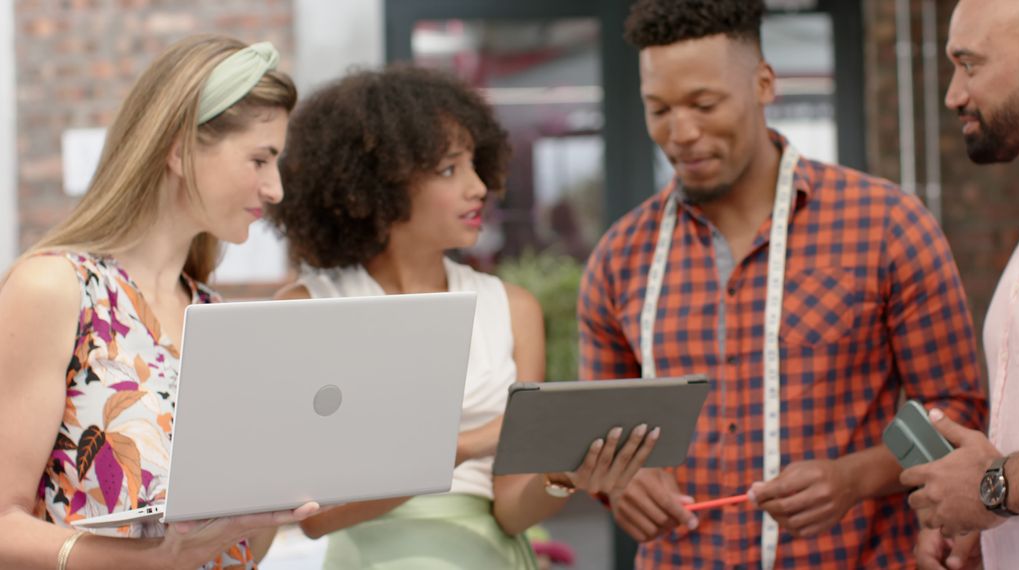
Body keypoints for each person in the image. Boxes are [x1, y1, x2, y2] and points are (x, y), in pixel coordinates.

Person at [576, 0, 988, 567]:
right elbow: (597, 434)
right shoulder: (620, 259)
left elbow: (955, 411)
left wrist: (853, 478)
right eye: (659, 109)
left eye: (704, 103)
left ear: (765, 84)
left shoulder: (887, 225)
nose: (682, 132)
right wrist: (619, 484)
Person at [267, 65, 658, 570]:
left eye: (476, 164)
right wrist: (462, 447)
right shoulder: (306, 310)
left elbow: (513, 510)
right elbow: (315, 517)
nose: (479, 187)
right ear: (378, 184)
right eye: (450, 169)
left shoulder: (513, 309)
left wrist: (565, 476)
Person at [0, 35, 319, 569]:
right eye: (260, 159)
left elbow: (241, 551)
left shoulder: (222, 322)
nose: (275, 189)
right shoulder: (58, 290)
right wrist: (149, 561)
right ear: (178, 149)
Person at [901, 1, 1019, 568]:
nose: (954, 95)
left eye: (970, 65)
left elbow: (1001, 481)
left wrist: (991, 488)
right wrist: (987, 522)